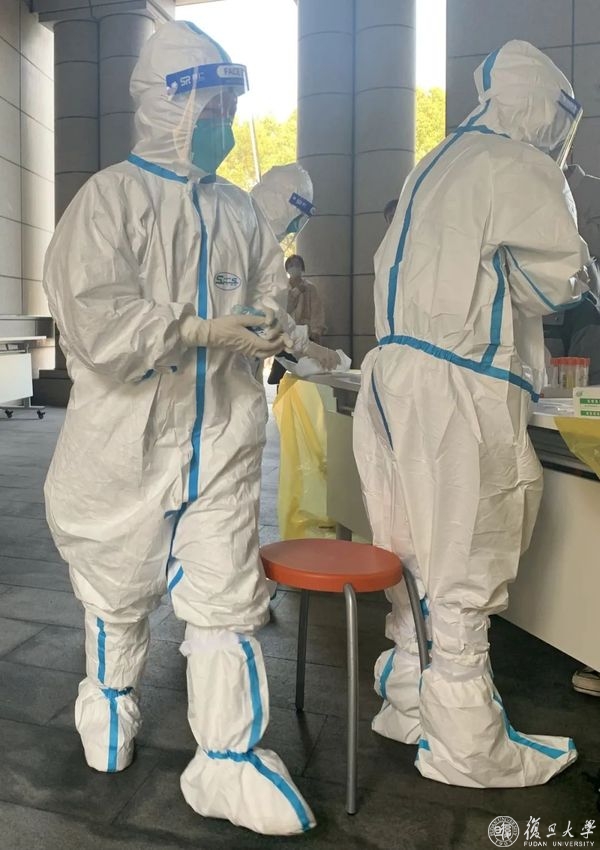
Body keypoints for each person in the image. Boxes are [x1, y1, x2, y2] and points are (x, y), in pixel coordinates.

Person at [42, 21, 329, 836]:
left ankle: (228, 759)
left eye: (230, 107)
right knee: (118, 584)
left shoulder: (238, 209)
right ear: (168, 108)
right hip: (125, 440)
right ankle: (109, 700)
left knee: (226, 597)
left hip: (224, 439)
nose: (223, 123)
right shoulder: (109, 200)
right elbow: (95, 322)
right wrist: (198, 328)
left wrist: (271, 324)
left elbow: (267, 289)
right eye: (211, 107)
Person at [353, 40, 592, 788]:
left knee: (410, 551)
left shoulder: (435, 161)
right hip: (461, 384)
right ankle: (467, 747)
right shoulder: (519, 163)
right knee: (466, 553)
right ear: (549, 113)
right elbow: (557, 283)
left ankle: (410, 702)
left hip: (392, 375)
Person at [267, 256, 327, 386]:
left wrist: (316, 330)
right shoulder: (282, 288)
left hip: (305, 334)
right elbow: (282, 309)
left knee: (303, 371)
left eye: (297, 264)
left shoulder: (310, 288)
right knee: (281, 370)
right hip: (286, 334)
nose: (294, 267)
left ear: (302, 267)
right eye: (291, 265)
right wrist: (296, 292)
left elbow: (317, 311)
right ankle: (281, 391)